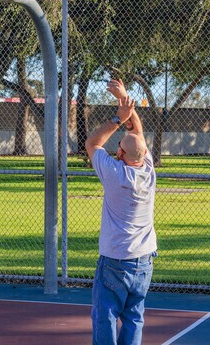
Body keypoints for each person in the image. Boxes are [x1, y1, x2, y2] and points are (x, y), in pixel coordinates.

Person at [85, 79, 158, 345]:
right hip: (144, 261)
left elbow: (92, 143)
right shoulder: (149, 171)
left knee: (105, 315)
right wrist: (126, 99)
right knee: (134, 316)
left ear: (121, 153)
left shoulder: (114, 173)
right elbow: (137, 133)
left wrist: (118, 117)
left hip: (116, 260)